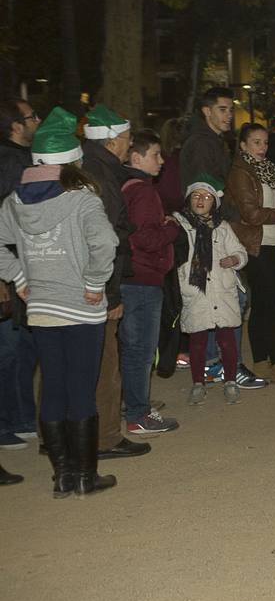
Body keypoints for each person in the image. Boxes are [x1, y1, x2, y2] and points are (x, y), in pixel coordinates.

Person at [0, 107, 119, 496]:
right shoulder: (83, 200)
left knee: (53, 386)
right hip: (81, 307)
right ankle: (86, 477)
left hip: (42, 308)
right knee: (81, 390)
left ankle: (62, 475)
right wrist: (94, 281)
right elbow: (105, 244)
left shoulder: (14, 203)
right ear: (72, 162)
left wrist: (20, 277)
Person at [81, 105, 163, 450]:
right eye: (127, 140)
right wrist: (111, 296)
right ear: (113, 141)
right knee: (113, 360)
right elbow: (111, 240)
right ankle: (110, 435)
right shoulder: (105, 178)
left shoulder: (91, 169)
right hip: (110, 284)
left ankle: (59, 437)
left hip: (95, 281)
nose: (129, 147)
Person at [226, 124, 275, 385]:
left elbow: (264, 207)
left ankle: (264, 361)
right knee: (272, 305)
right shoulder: (241, 173)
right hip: (256, 245)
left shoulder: (267, 171)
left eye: (265, 143)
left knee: (265, 304)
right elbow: (251, 214)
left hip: (272, 242)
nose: (262, 148)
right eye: (256, 143)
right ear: (242, 145)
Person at [120, 130, 185, 439]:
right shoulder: (143, 192)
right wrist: (170, 229)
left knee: (132, 347)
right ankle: (138, 414)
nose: (161, 161)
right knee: (141, 350)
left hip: (132, 276)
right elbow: (144, 237)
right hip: (143, 278)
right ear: (136, 158)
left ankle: (134, 404)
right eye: (156, 155)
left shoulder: (126, 186)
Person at [173, 175, 248, 407]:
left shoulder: (222, 227)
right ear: (188, 200)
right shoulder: (179, 225)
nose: (201, 200)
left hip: (222, 290)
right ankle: (198, 382)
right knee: (197, 340)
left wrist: (234, 258)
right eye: (196, 196)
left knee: (227, 339)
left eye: (206, 197)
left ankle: (231, 380)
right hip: (196, 291)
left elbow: (241, 252)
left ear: (214, 202)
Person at [0, 97, 39, 453]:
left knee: (25, 346)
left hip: (20, 265)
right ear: (16, 125)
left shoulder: (20, 159)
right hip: (10, 268)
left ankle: (23, 417)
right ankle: (8, 421)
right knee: (10, 349)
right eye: (31, 116)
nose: (37, 120)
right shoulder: (10, 162)